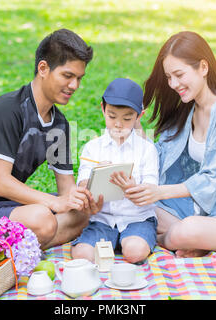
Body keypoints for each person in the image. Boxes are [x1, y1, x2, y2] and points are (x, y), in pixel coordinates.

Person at [0, 29, 103, 250]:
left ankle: (20, 246)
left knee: (80, 216)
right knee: (43, 219)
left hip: (9, 208)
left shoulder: (60, 124)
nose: (74, 86)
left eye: (79, 78)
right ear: (43, 68)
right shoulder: (8, 110)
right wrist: (54, 203)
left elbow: (65, 188)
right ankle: (27, 243)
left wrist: (82, 200)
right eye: (67, 76)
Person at [126, 31, 216, 258]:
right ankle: (194, 243)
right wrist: (135, 125)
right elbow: (161, 154)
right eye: (169, 77)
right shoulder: (188, 107)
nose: (173, 84)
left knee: (185, 231)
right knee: (133, 206)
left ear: (203, 67)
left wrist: (158, 192)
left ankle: (161, 239)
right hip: (203, 213)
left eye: (179, 75)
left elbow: (212, 178)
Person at [71, 78, 159, 264]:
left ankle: (130, 241)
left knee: (134, 252)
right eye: (112, 116)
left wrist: (134, 188)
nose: (118, 124)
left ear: (139, 116)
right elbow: (82, 185)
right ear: (102, 109)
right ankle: (110, 242)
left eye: (127, 119)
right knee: (82, 255)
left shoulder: (146, 149)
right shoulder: (92, 148)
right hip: (103, 220)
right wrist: (96, 175)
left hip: (137, 219)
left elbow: (152, 190)